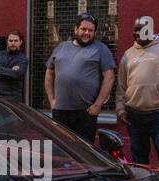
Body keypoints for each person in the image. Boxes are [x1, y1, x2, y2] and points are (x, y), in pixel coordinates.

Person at [116, 16, 159, 166]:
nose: (136, 33)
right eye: (134, 30)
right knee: (138, 160)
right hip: (134, 115)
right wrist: (121, 109)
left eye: (139, 30)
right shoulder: (128, 54)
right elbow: (122, 85)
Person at [44, 12, 116, 144]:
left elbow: (109, 77)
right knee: (62, 150)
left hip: (86, 113)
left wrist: (97, 105)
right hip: (60, 111)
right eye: (83, 29)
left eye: (91, 30)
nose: (87, 33)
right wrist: (51, 100)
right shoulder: (61, 47)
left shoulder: (101, 49)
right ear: (76, 29)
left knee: (85, 153)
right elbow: (49, 72)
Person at [0, 31, 29, 102]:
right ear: (7, 41)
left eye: (16, 41)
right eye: (10, 41)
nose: (13, 43)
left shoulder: (23, 59)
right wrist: (9, 72)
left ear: (20, 42)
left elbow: (15, 74)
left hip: (13, 99)